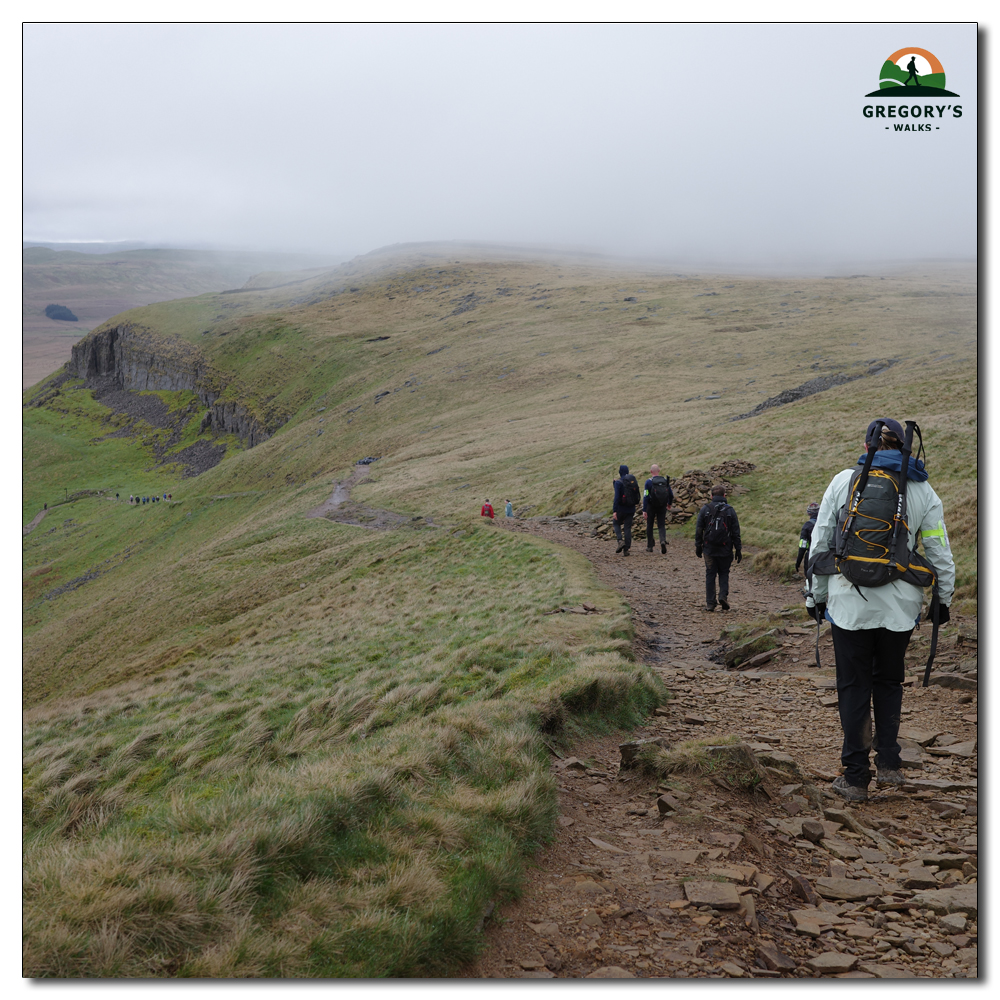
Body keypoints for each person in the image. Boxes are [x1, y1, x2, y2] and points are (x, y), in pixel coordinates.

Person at [807, 418, 955, 803]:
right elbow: (939, 550)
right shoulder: (923, 490)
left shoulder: (844, 481)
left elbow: (820, 542)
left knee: (854, 685)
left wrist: (816, 597)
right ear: (906, 447)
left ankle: (855, 776)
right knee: (889, 681)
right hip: (900, 607)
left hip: (848, 603)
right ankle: (889, 763)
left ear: (869, 443)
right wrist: (944, 601)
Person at [694, 484, 742, 611]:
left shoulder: (705, 509)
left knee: (710, 574)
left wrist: (698, 545)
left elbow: (699, 529)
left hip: (709, 549)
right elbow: (735, 532)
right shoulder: (730, 510)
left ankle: (710, 603)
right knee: (724, 573)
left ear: (711, 496)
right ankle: (722, 596)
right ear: (724, 496)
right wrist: (738, 549)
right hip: (725, 549)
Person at [642, 464, 673, 553]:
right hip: (662, 505)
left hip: (651, 506)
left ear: (651, 471)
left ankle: (650, 546)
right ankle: (662, 540)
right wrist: (669, 503)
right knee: (661, 524)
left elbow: (646, 496)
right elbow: (670, 494)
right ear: (659, 471)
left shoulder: (648, 482)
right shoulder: (664, 480)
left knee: (650, 525)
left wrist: (644, 509)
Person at [612, 464, 641, 556]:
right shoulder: (631, 481)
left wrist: (614, 510)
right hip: (631, 508)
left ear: (620, 472)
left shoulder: (618, 482)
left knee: (616, 523)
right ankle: (626, 549)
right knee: (627, 528)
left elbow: (617, 497)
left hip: (621, 509)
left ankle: (620, 541)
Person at [795, 502, 820, 574]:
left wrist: (798, 562)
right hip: (827, 556)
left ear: (809, 513)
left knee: (811, 581)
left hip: (811, 556)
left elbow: (803, 546)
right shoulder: (827, 523)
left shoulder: (807, 526)